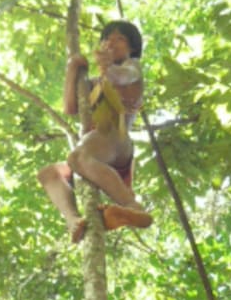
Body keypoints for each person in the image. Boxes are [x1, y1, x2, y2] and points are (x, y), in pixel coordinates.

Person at [37, 21, 153, 243]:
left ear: (131, 48)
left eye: (120, 39)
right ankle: (74, 220)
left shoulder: (132, 67)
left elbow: (123, 76)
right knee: (49, 174)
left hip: (115, 140)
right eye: (107, 38)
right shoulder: (95, 83)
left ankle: (132, 206)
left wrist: (108, 68)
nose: (111, 42)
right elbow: (71, 108)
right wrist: (72, 69)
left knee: (77, 157)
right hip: (97, 152)